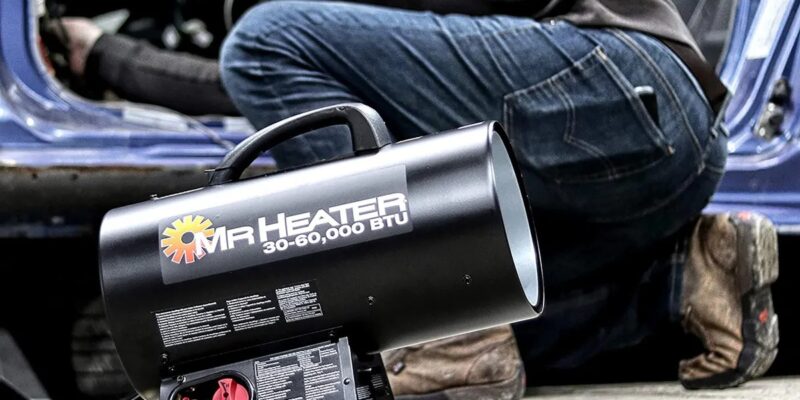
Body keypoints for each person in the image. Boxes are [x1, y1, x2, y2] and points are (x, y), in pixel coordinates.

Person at [62, 1, 779, 398]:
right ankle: (689, 281)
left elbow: (256, 74)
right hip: (673, 154)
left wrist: (104, 55)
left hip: (613, 87)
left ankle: (439, 335)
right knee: (477, 298)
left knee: (263, 41)